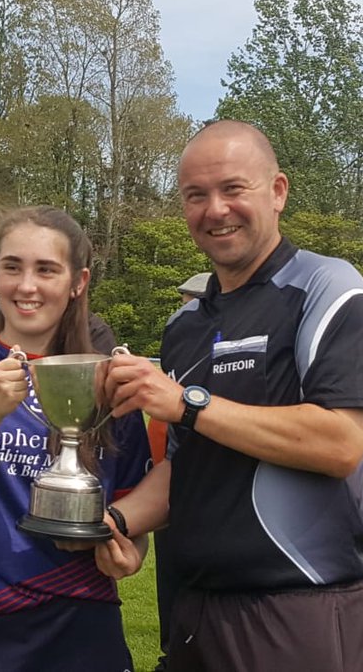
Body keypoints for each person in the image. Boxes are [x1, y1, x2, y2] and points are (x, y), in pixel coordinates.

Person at [96, 120, 363, 671]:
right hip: (194, 607)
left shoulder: (329, 289)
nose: (215, 209)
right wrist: (111, 521)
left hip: (295, 610)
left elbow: (341, 443)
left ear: (277, 191)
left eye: (233, 188)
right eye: (196, 195)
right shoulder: (184, 325)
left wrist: (189, 404)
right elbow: (186, 468)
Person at [0, 206, 152, 672]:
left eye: (46, 270)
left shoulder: (110, 381)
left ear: (78, 282)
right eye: (12, 267)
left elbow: (131, 513)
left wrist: (129, 554)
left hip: (82, 620)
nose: (27, 285)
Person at [148, 271, 211, 671]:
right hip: (169, 486)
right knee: (173, 578)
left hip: (215, 495)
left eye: (191, 300)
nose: (184, 308)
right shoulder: (180, 337)